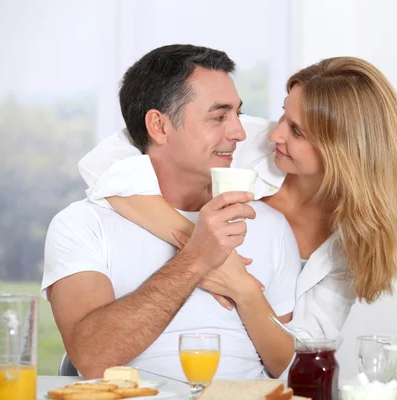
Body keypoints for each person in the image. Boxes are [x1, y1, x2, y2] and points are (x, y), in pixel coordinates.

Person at [79, 56, 397, 349]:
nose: (276, 134)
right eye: (284, 115)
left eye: (296, 131)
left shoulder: (353, 241)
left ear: (345, 152)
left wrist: (243, 289)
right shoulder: (245, 140)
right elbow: (104, 162)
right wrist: (196, 242)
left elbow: (304, 347)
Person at [41, 44, 301, 380]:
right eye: (219, 117)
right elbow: (92, 358)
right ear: (159, 126)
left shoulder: (270, 226)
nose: (238, 133)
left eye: (238, 114)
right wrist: (195, 259)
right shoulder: (83, 225)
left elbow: (287, 367)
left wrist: (243, 289)